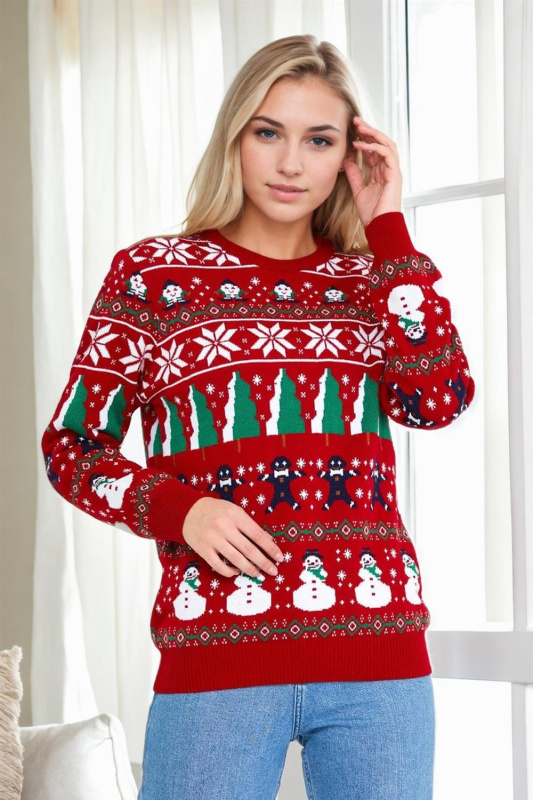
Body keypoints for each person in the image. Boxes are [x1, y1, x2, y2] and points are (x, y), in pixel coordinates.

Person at [41, 34, 474, 800]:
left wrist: (388, 227)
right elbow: (72, 447)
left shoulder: (371, 280)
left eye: (319, 140)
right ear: (234, 136)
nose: (289, 163)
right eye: (268, 132)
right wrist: (181, 509)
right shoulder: (153, 277)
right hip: (216, 655)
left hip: (377, 660)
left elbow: (438, 396)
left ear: (349, 156)